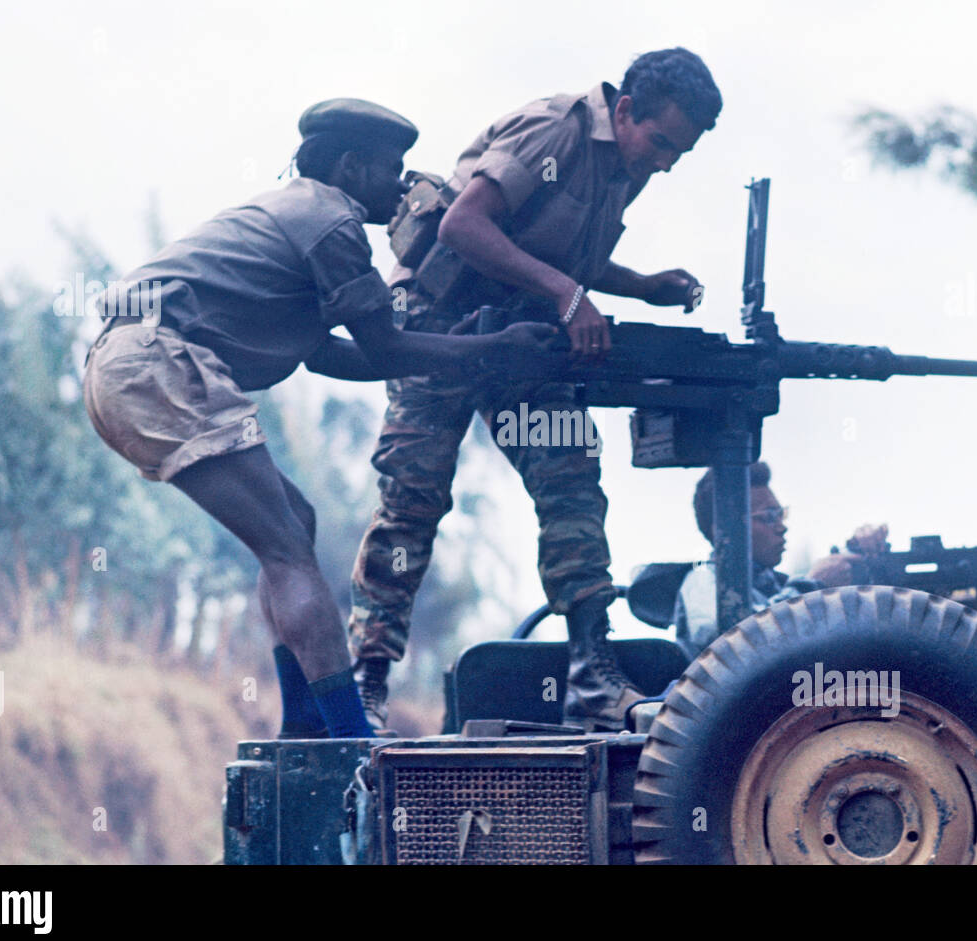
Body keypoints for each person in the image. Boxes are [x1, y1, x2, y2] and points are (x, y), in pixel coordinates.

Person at [83, 99, 553, 739]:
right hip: (156, 363)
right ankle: (350, 742)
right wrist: (492, 351)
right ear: (352, 167)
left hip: (125, 367)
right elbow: (388, 349)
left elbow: (335, 357)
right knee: (286, 549)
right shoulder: (331, 223)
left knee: (292, 525)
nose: (401, 183)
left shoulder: (294, 214)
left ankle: (305, 727)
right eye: (392, 169)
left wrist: (462, 349)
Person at [349, 49, 724, 731]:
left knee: (572, 478)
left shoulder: (625, 166)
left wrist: (637, 286)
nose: (665, 163)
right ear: (627, 110)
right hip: (440, 325)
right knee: (414, 498)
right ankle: (366, 683)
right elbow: (466, 225)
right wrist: (567, 294)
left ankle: (592, 674)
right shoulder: (555, 130)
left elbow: (555, 253)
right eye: (662, 142)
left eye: (681, 153)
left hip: (519, 335)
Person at [673, 462, 889, 659]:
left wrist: (856, 553)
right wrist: (811, 588)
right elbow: (730, 644)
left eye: (780, 514)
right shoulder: (702, 580)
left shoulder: (774, 585)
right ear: (726, 529)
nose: (782, 527)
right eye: (768, 516)